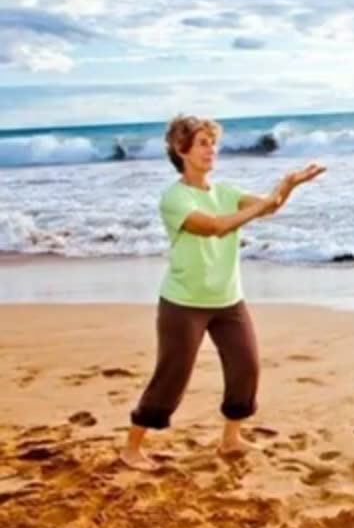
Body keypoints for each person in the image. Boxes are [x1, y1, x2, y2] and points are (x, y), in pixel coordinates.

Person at [120, 114, 325, 471]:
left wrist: (288, 185)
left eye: (213, 142)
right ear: (180, 150)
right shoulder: (175, 198)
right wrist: (261, 206)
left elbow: (270, 206)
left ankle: (231, 439)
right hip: (184, 303)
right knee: (172, 377)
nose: (210, 149)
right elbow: (213, 227)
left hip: (228, 299)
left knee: (246, 368)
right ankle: (132, 448)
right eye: (202, 143)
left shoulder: (226, 192)